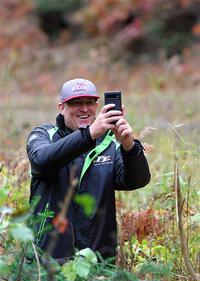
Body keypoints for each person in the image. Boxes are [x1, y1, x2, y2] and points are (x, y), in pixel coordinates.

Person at [27, 78, 150, 261]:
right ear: (61, 107)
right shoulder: (44, 135)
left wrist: (128, 146)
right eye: (76, 103)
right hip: (49, 261)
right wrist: (90, 134)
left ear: (97, 105)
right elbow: (42, 161)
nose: (84, 109)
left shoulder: (109, 144)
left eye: (89, 102)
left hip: (98, 262)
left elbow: (137, 181)